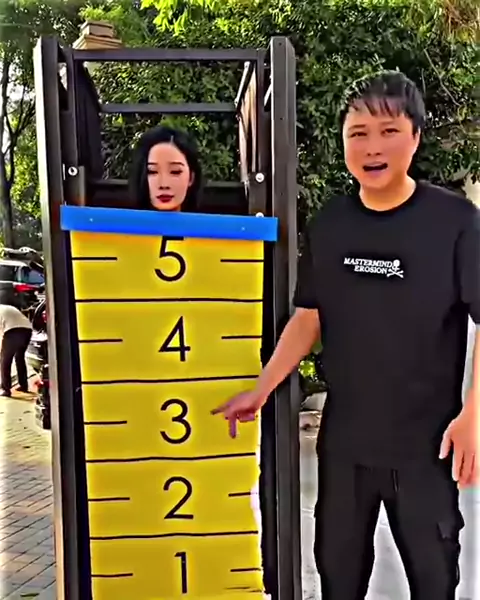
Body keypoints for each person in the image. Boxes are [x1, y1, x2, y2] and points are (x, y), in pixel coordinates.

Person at [212, 70, 479, 599]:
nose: (372, 147)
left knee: (434, 582)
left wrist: (473, 415)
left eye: (388, 131)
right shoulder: (332, 222)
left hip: (426, 449)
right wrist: (262, 388)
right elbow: (308, 316)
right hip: (346, 445)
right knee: (338, 578)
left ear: (415, 137)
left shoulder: (454, 221)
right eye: (358, 133)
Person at [129, 125, 202, 212]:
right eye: (152, 171)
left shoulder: (208, 221)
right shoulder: (120, 220)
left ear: (191, 178)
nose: (164, 185)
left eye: (175, 172)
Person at [0, 302, 33, 397]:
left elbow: (1, 333)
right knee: (19, 358)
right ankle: (23, 385)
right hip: (27, 329)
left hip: (12, 331)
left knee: (5, 360)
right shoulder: (6, 307)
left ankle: (6, 389)